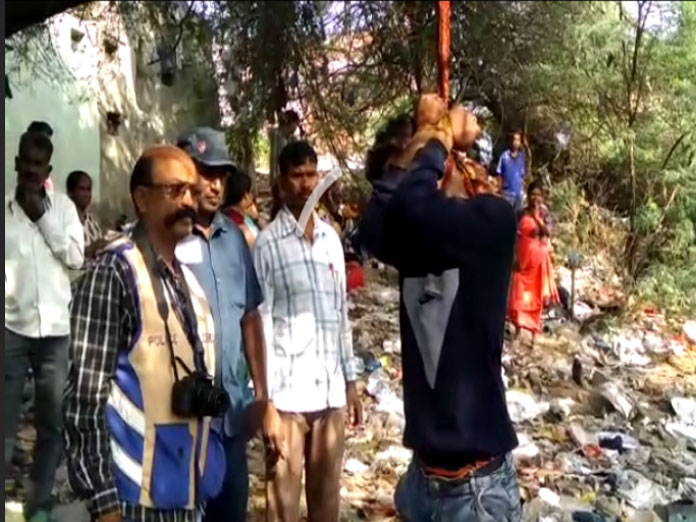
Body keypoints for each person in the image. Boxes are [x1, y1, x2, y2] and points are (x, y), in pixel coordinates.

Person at [360, 94, 522, 522]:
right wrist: (429, 142)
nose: (478, 171)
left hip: (477, 493)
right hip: (421, 483)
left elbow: (410, 206)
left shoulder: (493, 222)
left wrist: (437, 137)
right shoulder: (419, 239)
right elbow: (373, 227)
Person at [64, 146, 227, 522]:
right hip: (131, 503)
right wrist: (104, 506)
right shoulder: (115, 273)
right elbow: (83, 401)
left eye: (191, 190)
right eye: (175, 191)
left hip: (185, 494)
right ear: (141, 198)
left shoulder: (186, 280)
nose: (188, 201)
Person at [175, 127, 283, 522]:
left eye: (220, 176)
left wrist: (263, 395)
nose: (215, 185)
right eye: (205, 173)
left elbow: (249, 316)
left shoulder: (233, 240)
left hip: (231, 418)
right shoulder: (165, 238)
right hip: (181, 421)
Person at [253, 141, 362, 522]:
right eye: (296, 176)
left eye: (311, 175)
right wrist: (265, 403)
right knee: (282, 506)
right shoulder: (268, 246)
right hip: (287, 402)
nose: (305, 184)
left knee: (326, 506)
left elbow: (339, 314)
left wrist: (351, 381)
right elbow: (259, 326)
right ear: (282, 184)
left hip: (330, 395)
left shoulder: (332, 240)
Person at [5, 131, 84, 522]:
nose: (32, 171)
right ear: (16, 164)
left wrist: (41, 215)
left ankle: (36, 507)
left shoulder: (65, 210)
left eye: (40, 165)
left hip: (55, 333)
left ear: (47, 170)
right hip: (11, 332)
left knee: (51, 425)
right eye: (26, 163)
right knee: (4, 425)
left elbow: (74, 259)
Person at [508, 181, 560, 348]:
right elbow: (513, 236)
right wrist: (514, 255)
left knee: (536, 299)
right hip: (522, 262)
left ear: (542, 197)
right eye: (532, 194)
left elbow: (548, 233)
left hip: (538, 264)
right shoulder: (520, 213)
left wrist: (537, 217)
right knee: (517, 298)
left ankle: (534, 335)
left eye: (538, 195)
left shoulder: (545, 215)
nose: (535, 197)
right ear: (528, 195)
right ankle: (517, 332)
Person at [66, 170, 105, 257]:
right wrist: (92, 248)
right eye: (82, 189)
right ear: (70, 192)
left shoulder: (91, 221)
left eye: (88, 189)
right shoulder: (65, 221)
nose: (87, 194)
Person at [223, 168, 261, 248]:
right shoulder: (237, 223)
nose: (252, 195)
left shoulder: (244, 215)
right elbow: (256, 248)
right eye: (250, 191)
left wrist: (257, 219)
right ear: (245, 195)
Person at [496, 130, 527, 213]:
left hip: (518, 195)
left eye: (518, 140)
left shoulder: (521, 157)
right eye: (514, 139)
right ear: (510, 141)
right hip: (507, 194)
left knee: (517, 219)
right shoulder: (504, 156)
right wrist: (500, 191)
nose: (515, 142)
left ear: (520, 142)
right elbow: (499, 174)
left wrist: (523, 191)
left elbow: (522, 176)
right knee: (506, 217)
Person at [269, 109, 300, 184]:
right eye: (296, 123)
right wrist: (274, 179)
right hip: (279, 177)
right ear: (290, 122)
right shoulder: (277, 135)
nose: (296, 127)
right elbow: (274, 157)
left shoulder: (292, 139)